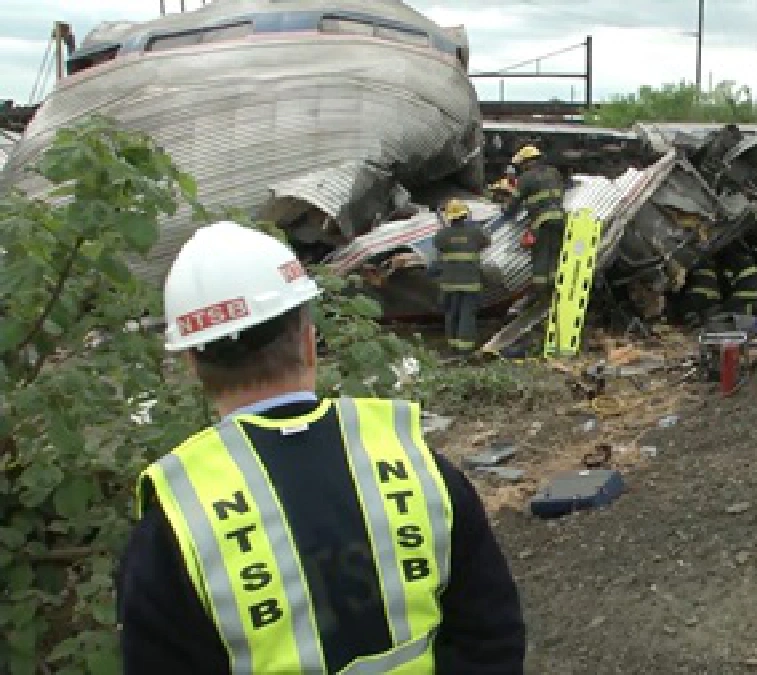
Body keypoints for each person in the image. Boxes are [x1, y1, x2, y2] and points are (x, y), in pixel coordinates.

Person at [117, 222, 525, 674]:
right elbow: (491, 636)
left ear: (192, 363)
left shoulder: (178, 522)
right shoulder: (412, 461)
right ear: (310, 341)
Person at [503, 145, 566, 299]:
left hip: (541, 223)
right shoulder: (554, 173)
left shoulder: (526, 178)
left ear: (526, 162)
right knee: (554, 256)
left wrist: (505, 209)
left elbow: (513, 205)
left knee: (541, 258)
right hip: (560, 220)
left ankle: (541, 295)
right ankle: (556, 291)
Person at [433, 199, 492, 355]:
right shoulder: (476, 232)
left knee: (451, 313)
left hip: (449, 284)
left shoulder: (442, 235)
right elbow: (486, 242)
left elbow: (438, 245)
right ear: (465, 215)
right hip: (470, 283)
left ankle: (452, 347)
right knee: (467, 314)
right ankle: (465, 351)